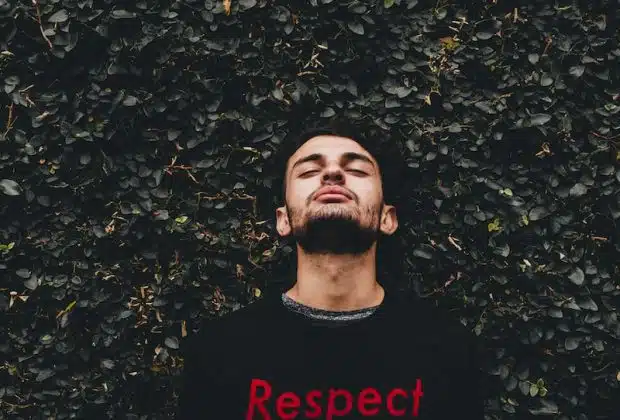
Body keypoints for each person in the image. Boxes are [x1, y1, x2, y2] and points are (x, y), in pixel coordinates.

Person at [177, 118, 485, 419]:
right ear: (283, 220)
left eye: (357, 170)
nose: (333, 173)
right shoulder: (219, 353)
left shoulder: (448, 351)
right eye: (310, 170)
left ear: (387, 218)